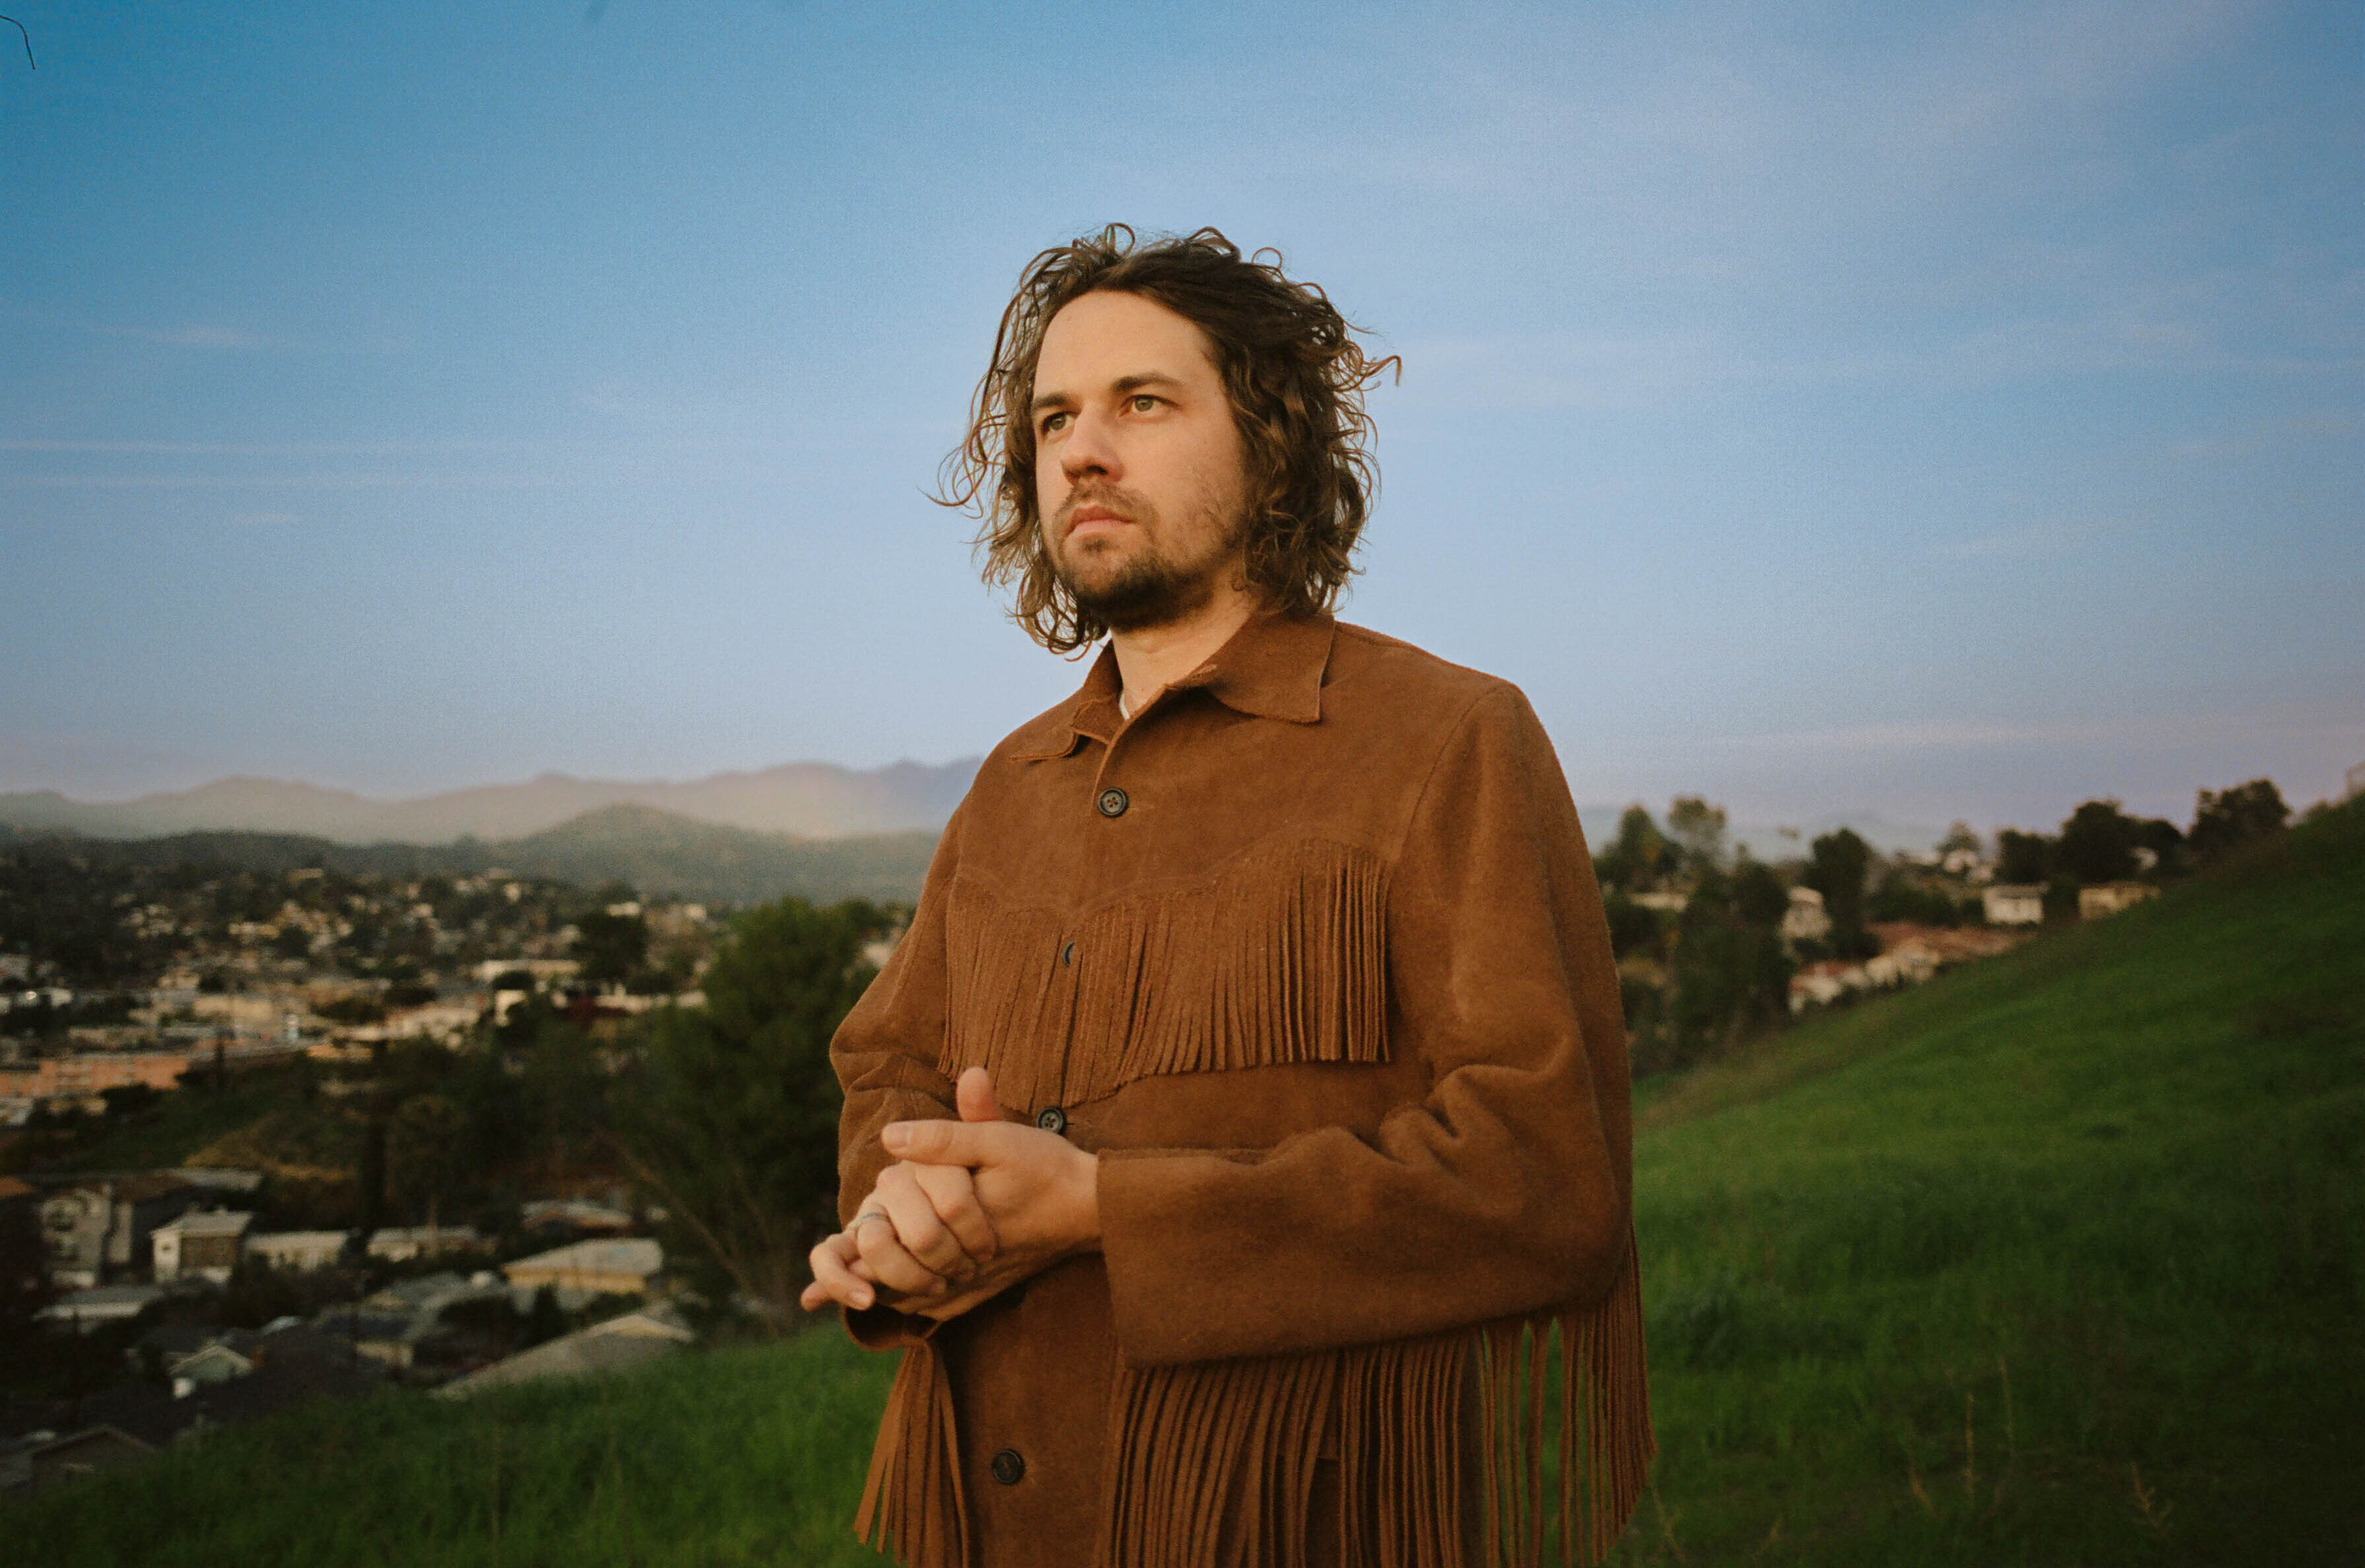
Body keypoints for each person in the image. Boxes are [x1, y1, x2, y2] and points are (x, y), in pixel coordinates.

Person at [800, 226, 1653, 1568]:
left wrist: (1104, 1209)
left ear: (1271, 441)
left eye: (1143, 402)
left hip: (1295, 1524)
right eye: (1053, 417)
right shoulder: (1009, 785)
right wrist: (901, 1212)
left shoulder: (1446, 738)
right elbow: (888, 1075)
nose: (1083, 449)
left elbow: (1542, 1183)